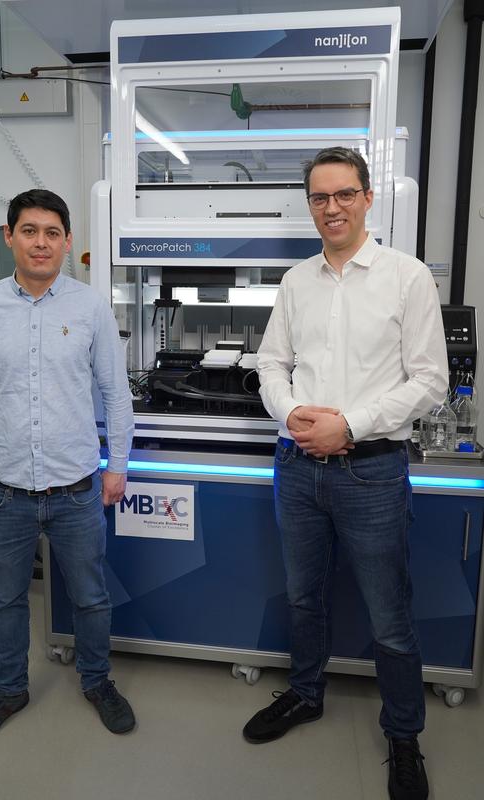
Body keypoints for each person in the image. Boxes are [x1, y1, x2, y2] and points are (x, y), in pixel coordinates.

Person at [244, 148, 448, 800]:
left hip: (372, 474)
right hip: (297, 470)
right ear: (310, 204)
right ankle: (307, 693)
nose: (331, 207)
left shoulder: (407, 277)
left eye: (344, 194)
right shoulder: (295, 281)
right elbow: (272, 365)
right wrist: (292, 411)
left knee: (390, 616)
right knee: (305, 597)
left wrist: (350, 425)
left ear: (366, 199)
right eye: (319, 197)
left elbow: (431, 382)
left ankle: (403, 735)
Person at [0, 189, 135, 749]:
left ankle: (97, 681)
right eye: (29, 231)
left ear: (66, 241)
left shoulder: (90, 307)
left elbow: (115, 391)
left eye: (52, 233)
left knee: (90, 596)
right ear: (9, 237)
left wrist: (118, 465)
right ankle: (8, 689)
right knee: (7, 599)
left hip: (78, 486)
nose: (41, 242)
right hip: (5, 488)